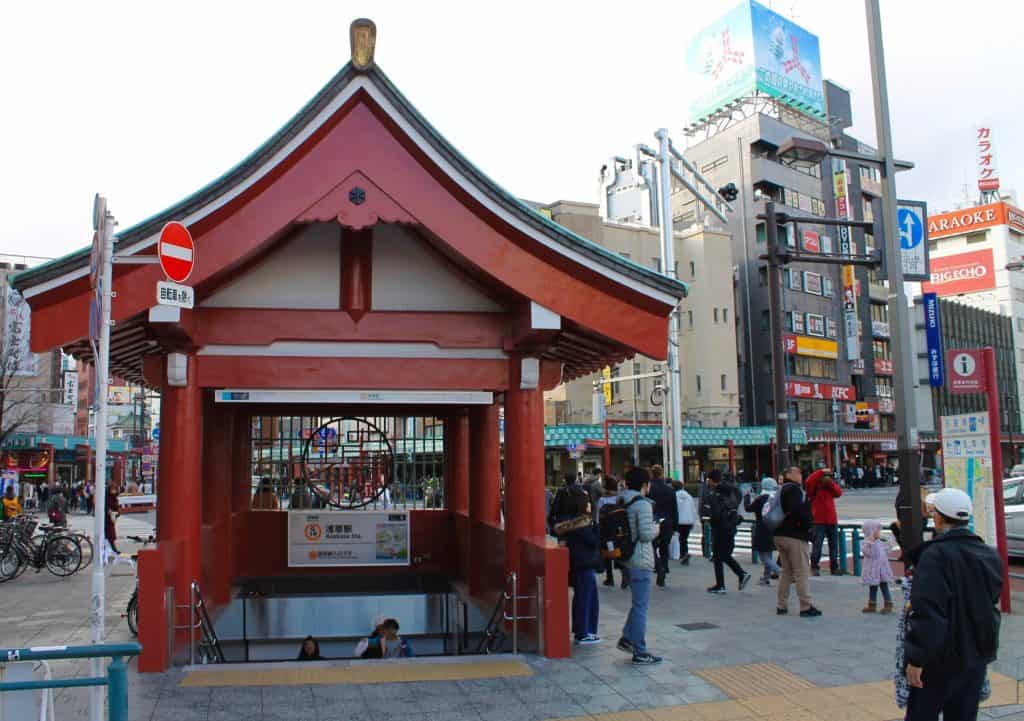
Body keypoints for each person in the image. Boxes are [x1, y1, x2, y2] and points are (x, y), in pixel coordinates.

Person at [902, 488, 1002, 721]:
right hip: (975, 655)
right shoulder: (988, 554)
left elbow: (928, 612)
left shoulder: (934, 556)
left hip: (939, 658)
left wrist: (917, 659)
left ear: (938, 516)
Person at [616, 467, 661, 665]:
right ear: (645, 485)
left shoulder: (623, 500)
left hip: (627, 558)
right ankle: (640, 651)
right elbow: (645, 534)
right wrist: (657, 528)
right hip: (640, 559)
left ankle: (627, 638)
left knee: (637, 603)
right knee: (641, 605)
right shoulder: (642, 504)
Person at [774, 466, 821, 617]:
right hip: (794, 535)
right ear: (789, 474)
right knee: (801, 572)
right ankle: (805, 606)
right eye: (798, 472)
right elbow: (798, 510)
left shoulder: (781, 489)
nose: (801, 475)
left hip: (779, 534)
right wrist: (808, 526)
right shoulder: (794, 490)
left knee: (786, 571)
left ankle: (781, 605)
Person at [561, 492, 601, 645]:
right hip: (584, 564)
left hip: (576, 563)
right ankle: (583, 632)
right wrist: (596, 526)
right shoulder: (582, 523)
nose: (590, 504)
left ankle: (583, 630)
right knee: (586, 599)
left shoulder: (568, 521)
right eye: (588, 502)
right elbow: (593, 541)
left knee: (582, 598)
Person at [702, 469, 751, 594]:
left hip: (720, 528)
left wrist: (710, 517)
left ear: (712, 481)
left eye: (709, 480)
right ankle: (726, 581)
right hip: (731, 525)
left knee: (720, 556)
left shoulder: (714, 495)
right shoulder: (731, 490)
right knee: (721, 555)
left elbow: (716, 514)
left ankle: (736, 576)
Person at [744, 478, 782, 585]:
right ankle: (766, 578)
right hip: (774, 528)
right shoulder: (776, 498)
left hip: (762, 528)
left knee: (763, 556)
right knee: (768, 553)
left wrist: (747, 496)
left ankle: (781, 573)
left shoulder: (761, 498)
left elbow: (748, 508)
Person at [806, 468, 843, 576]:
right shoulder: (813, 487)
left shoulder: (829, 487)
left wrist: (830, 483)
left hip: (831, 519)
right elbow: (808, 481)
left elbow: (839, 492)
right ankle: (814, 567)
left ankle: (834, 567)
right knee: (817, 545)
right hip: (818, 520)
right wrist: (821, 472)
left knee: (833, 546)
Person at [647, 465, 678, 587]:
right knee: (664, 546)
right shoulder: (670, 490)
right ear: (662, 474)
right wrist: (675, 525)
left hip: (653, 519)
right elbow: (674, 509)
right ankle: (664, 568)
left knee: (652, 546)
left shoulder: (649, 489)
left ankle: (659, 566)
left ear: (652, 474)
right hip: (667, 521)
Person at [597, 476, 629, 588]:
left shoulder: (603, 499)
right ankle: (624, 571)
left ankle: (609, 578)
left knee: (607, 553)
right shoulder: (620, 497)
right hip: (618, 529)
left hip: (606, 530)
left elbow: (599, 516)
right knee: (618, 552)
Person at [861, 520, 894, 614]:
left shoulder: (879, 542)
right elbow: (867, 552)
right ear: (871, 532)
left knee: (884, 586)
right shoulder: (867, 543)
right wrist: (870, 542)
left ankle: (888, 604)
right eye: (878, 531)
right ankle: (872, 605)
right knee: (873, 587)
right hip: (873, 571)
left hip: (881, 570)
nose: (879, 533)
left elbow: (886, 550)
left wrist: (890, 542)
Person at [673, 480, 697, 566]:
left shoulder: (674, 496)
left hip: (679, 521)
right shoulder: (689, 497)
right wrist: (693, 521)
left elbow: (673, 509)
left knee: (679, 539)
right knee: (684, 539)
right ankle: (684, 554)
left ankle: (682, 554)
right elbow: (693, 509)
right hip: (688, 521)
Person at [105, 480, 121, 554]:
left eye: (114, 489)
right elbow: (105, 506)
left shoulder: (115, 497)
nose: (113, 491)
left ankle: (110, 549)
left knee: (110, 535)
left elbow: (117, 507)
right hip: (106, 519)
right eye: (112, 489)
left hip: (112, 519)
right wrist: (109, 511)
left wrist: (117, 513)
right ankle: (113, 549)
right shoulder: (106, 496)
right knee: (109, 535)